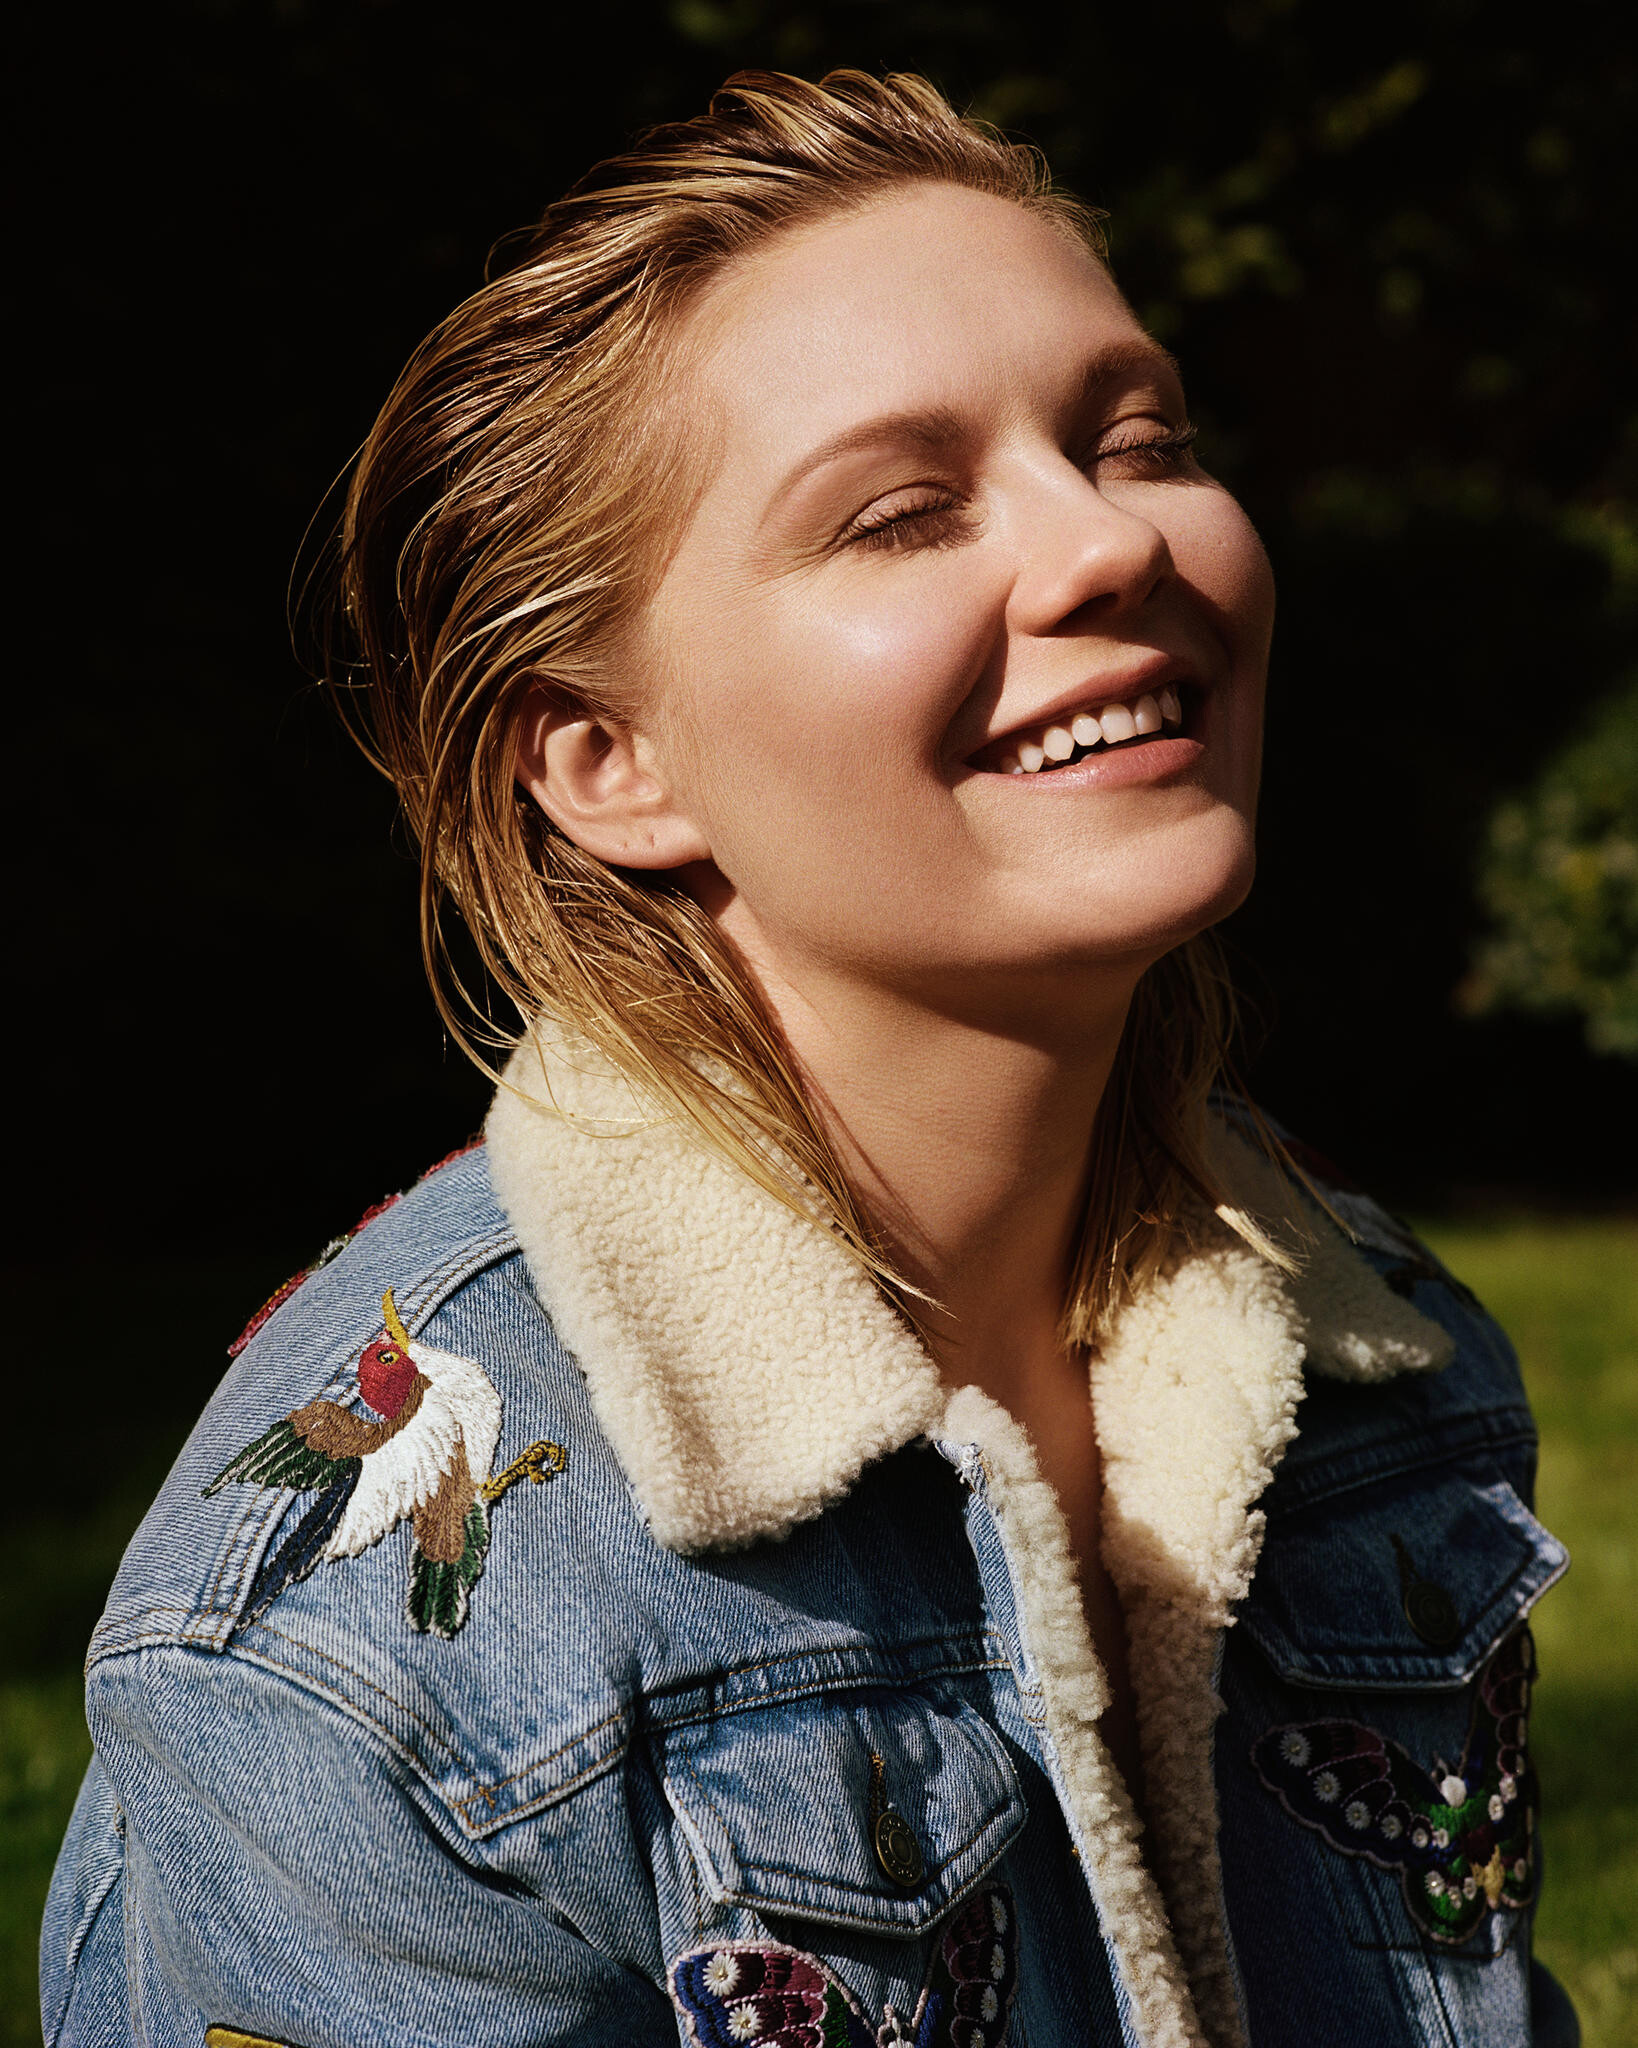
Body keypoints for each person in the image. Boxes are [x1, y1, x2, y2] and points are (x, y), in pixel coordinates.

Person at [42, 69, 1578, 2048]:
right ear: (611, 764)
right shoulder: (359, 1639)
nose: (1106, 542)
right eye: (899, 512)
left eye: (1137, 439)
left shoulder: (1384, 1360)